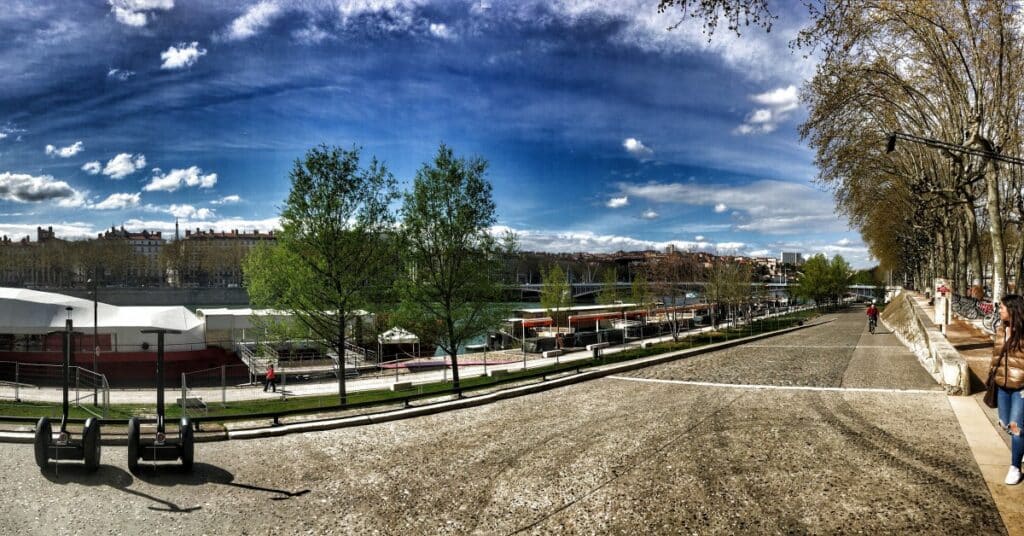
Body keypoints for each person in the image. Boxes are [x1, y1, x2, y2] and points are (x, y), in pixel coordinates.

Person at [991, 295, 1024, 485]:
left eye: (1002, 307)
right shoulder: (1000, 329)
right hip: (1002, 386)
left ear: (1012, 309)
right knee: (1005, 423)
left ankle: (1015, 467)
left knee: (1015, 427)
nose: (999, 310)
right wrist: (991, 376)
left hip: (1021, 388)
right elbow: (996, 355)